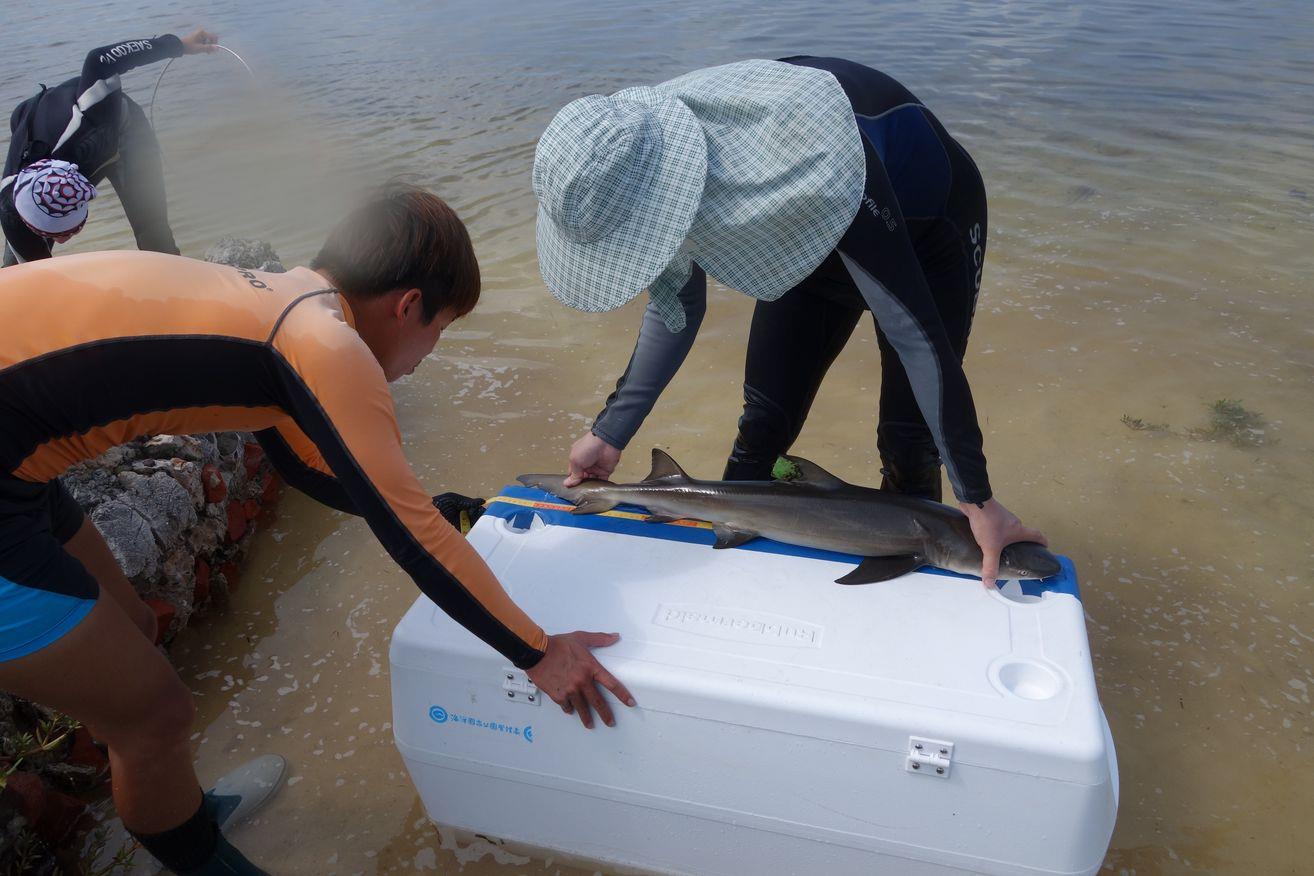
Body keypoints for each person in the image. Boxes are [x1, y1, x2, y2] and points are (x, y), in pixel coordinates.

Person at [0, 184, 634, 875]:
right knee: (155, 714)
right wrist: (539, 653)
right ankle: (196, 856)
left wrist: (438, 503)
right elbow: (411, 538)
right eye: (440, 331)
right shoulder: (327, 344)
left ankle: (178, 814)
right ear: (408, 305)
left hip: (21, 466)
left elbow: (306, 467)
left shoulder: (279, 305)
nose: (428, 355)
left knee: (134, 630)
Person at [532, 56, 1046, 587]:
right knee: (762, 427)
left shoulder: (809, 163)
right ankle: (728, 584)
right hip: (801, 242)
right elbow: (676, 309)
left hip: (922, 229)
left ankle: (913, 610)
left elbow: (916, 338)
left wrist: (977, 497)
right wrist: (610, 433)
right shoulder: (629, 157)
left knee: (910, 440)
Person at [1, 28, 218, 265]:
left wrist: (179, 45)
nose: (64, 240)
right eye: (56, 233)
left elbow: (101, 59)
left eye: (71, 230)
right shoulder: (11, 211)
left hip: (125, 133)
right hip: (47, 135)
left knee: (153, 233)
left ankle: (178, 282)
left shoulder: (90, 113)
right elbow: (37, 272)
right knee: (19, 267)